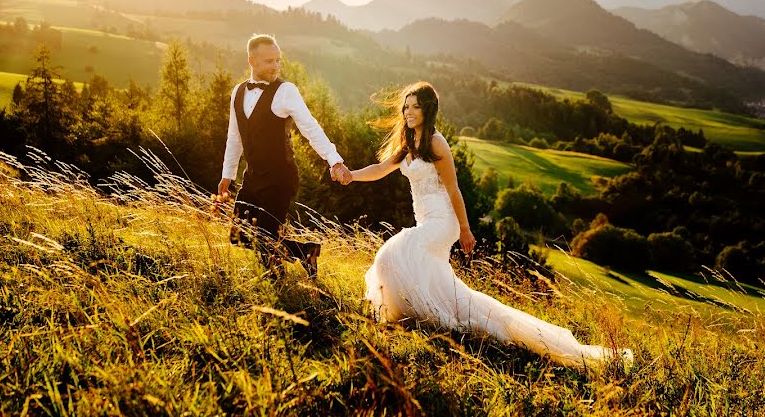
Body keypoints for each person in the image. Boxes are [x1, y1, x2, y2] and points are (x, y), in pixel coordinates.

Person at [343, 81, 632, 367]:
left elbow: (454, 190)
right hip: (426, 221)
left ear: (428, 109)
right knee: (439, 282)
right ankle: (426, 319)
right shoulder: (408, 142)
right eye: (406, 106)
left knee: (396, 251)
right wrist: (351, 175)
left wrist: (466, 229)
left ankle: (426, 317)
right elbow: (380, 169)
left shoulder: (435, 142)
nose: (408, 111)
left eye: (415, 106)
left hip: (443, 222)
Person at [218, 34, 351, 277]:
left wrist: (335, 160)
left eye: (278, 61)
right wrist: (227, 175)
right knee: (239, 237)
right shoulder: (237, 92)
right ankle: (306, 252)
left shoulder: (286, 91)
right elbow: (235, 137)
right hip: (253, 177)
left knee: (267, 240)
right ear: (252, 61)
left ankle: (278, 292)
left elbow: (310, 127)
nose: (276, 66)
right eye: (269, 61)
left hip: (280, 177)